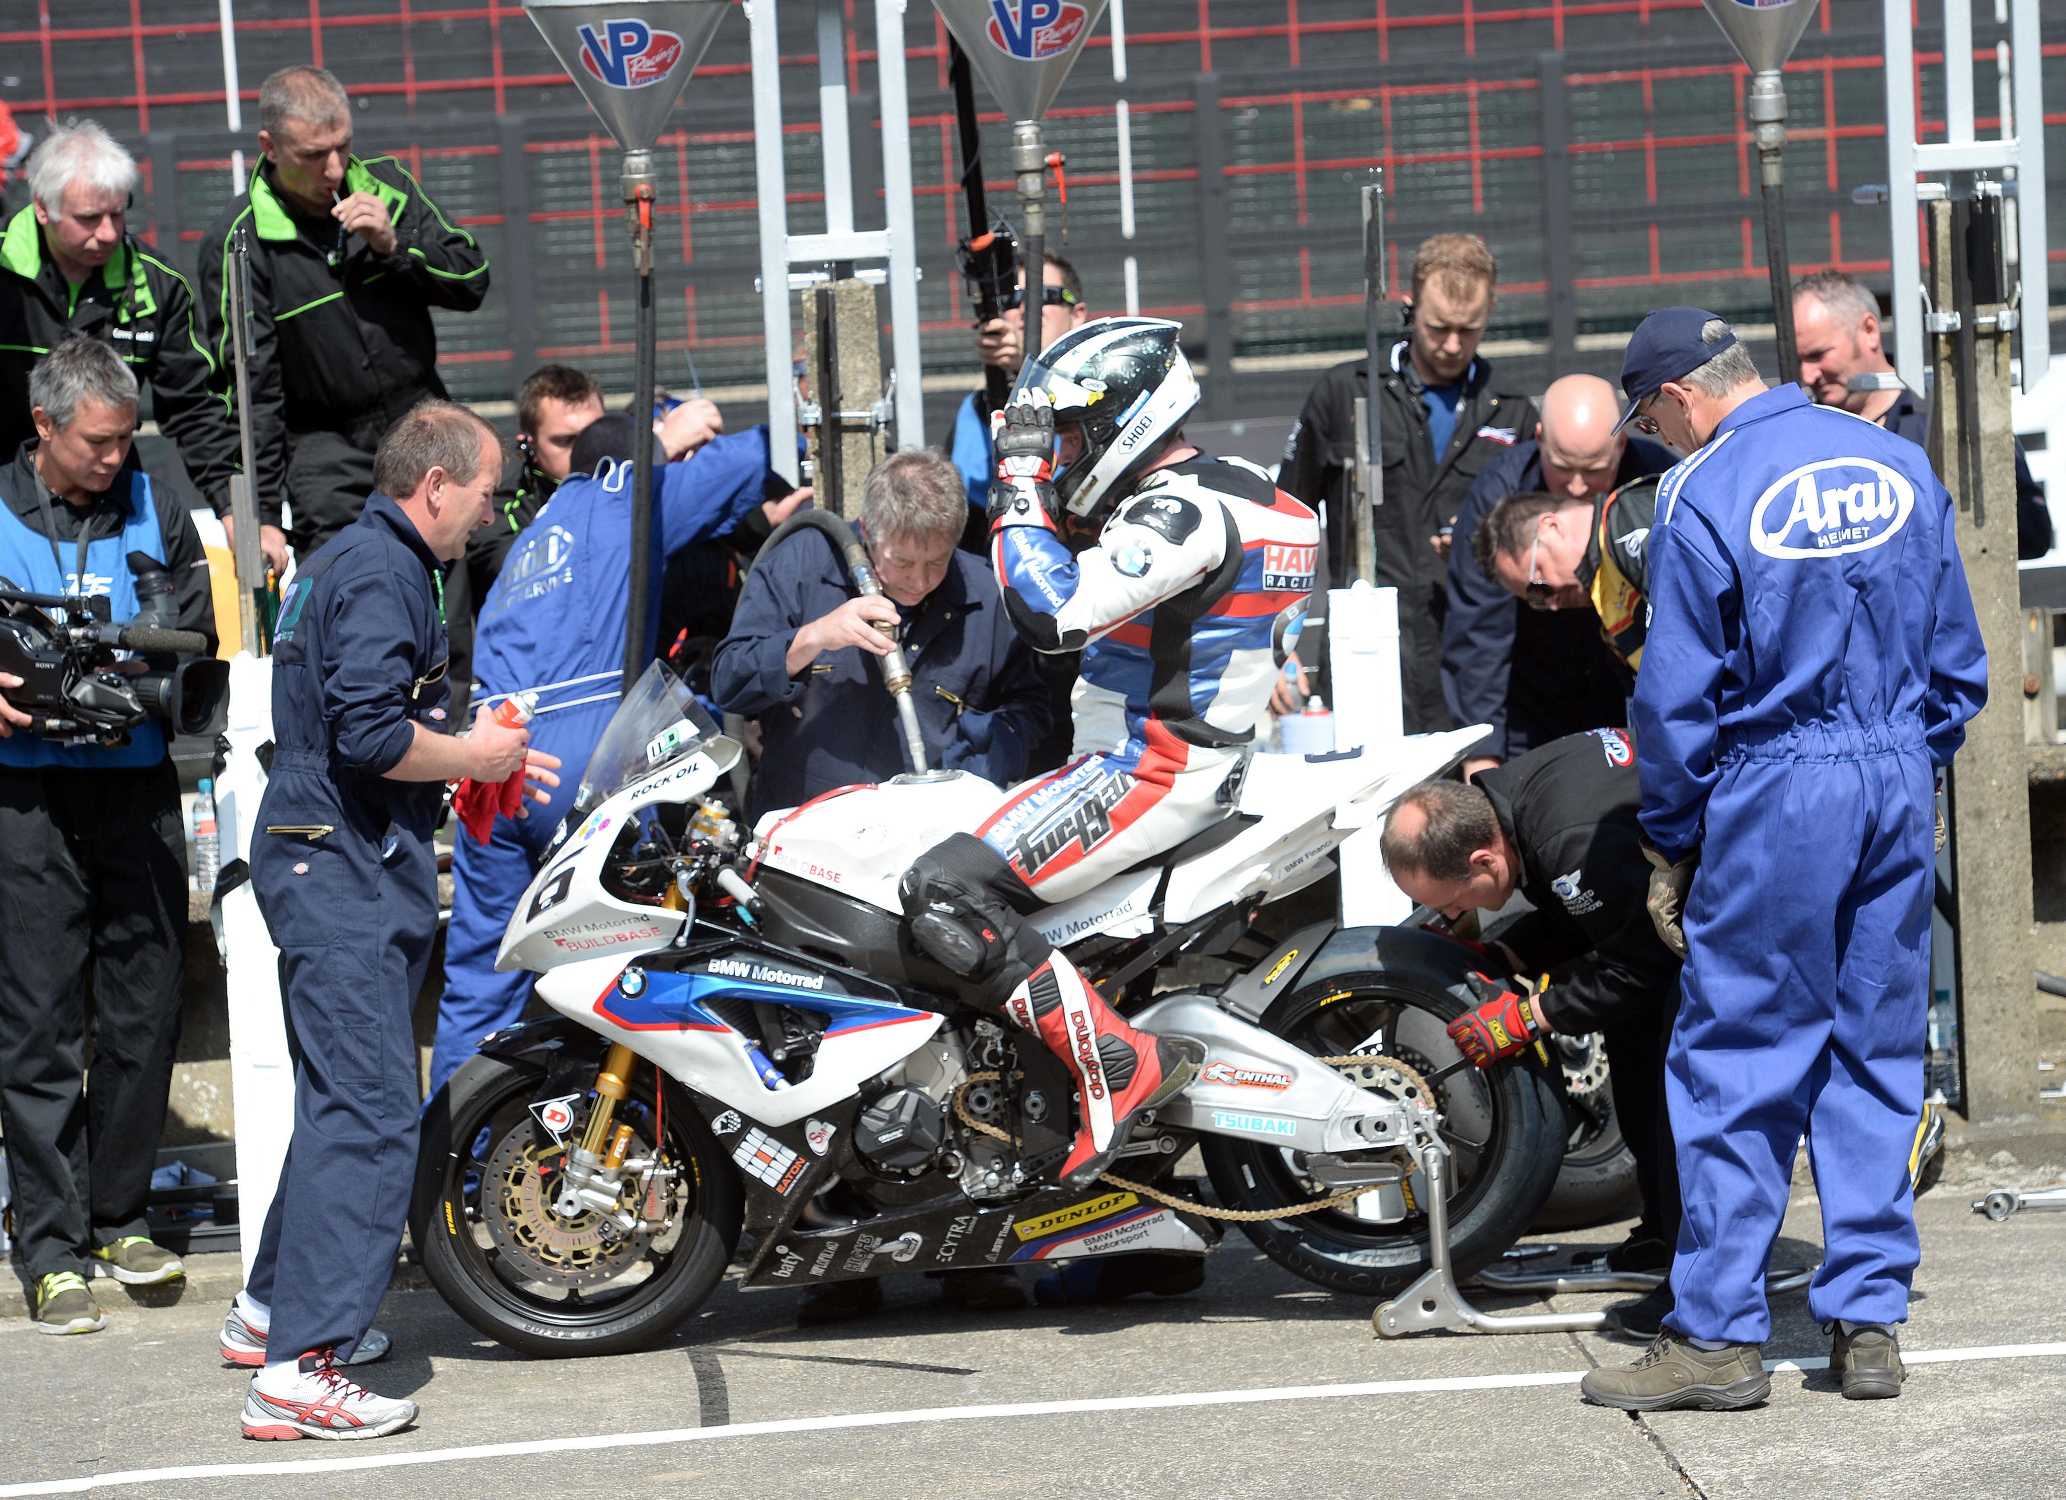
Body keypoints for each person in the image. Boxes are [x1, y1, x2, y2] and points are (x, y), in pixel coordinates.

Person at [1581, 309, 1988, 1411]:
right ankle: (1866, 1327)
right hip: (1894, 775)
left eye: (1651, 420)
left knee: (1739, 1061)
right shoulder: (1895, 460)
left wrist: (1672, 838)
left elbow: (1672, 701)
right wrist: (1897, 759)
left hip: (1775, 787)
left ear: (1673, 400)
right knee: (1874, 1053)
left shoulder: (1698, 492)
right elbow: (1958, 666)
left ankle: (1714, 1338)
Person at [899, 315, 1319, 1207]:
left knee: (944, 889)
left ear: (1130, 416)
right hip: (1203, 761)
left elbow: (1052, 614)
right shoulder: (1255, 491)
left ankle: (1120, 1068)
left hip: (1146, 769)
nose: (1063, 452)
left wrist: (1016, 485)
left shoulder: (1178, 512)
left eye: (1075, 432)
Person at [229, 400, 557, 1441]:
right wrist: (474, 758)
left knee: (341, 1099)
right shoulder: (380, 571)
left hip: (320, 856)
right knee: (373, 1110)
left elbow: (363, 715)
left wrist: (474, 746)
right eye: (487, 491)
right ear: (435, 486)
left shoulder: (345, 559)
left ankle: (268, 1312)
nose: (491, 511)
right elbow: (370, 736)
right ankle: (299, 1369)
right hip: (339, 871)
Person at [429, 406, 798, 1098]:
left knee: (481, 981)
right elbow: (768, 447)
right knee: (639, 968)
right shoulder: (628, 493)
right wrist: (693, 435)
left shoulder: (530, 539)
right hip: (585, 751)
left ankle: (452, 1167)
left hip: (494, 764)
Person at [0, 337, 214, 1335]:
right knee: (39, 1022)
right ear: (43, 426)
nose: (114, 458)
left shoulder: (152, 494)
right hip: (26, 797)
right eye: (97, 441)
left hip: (134, 786)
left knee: (144, 1005)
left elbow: (197, 618)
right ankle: (49, 1246)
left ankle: (121, 1216)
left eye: (127, 440)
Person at [1380, 735, 1683, 1340]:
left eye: (1453, 904)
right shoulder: (1510, 799)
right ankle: (1664, 1233)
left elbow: (1644, 962)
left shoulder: (1565, 842)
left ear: (1483, 864)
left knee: (1676, 1091)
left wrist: (1532, 1016)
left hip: (1711, 930)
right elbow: (1594, 917)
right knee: (1636, 1062)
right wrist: (1509, 951)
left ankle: (1693, 1281)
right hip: (1649, 906)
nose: (1453, 916)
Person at [198, 66, 489, 574]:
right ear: (269, 146)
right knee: (350, 581)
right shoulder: (240, 242)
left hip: (418, 416)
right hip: (322, 445)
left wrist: (395, 247)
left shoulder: (388, 185)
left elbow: (472, 280)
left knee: (451, 577)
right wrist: (262, 515)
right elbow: (250, 392)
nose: (333, 168)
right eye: (313, 155)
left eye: (343, 146)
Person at [1279, 233, 1535, 732]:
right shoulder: (1344, 394)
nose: (1453, 345)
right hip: (1365, 648)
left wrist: (1480, 542)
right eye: (1438, 327)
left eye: (1470, 329)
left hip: (1470, 659)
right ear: (1409, 307)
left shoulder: (1514, 410)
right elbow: (1283, 523)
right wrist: (1273, 648)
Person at [711, 448, 1051, 823]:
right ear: (868, 532)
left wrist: (979, 763)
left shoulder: (985, 594)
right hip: (804, 830)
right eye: (902, 562)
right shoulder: (803, 564)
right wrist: (813, 637)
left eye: (937, 562)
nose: (919, 581)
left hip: (925, 834)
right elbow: (729, 681)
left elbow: (1031, 708)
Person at [1442, 373, 1674, 776]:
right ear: (1538, 439)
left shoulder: (1657, 483)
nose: (1579, 488)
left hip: (1626, 689)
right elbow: (1478, 636)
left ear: (1621, 445)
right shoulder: (1500, 500)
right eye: (1563, 468)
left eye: (1597, 469)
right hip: (1532, 690)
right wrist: (1483, 759)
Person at [1, 122, 237, 511]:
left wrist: (233, 509)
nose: (109, 233)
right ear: (43, 208)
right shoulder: (4, 271)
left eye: (118, 213)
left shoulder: (159, 284)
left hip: (108, 501)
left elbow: (195, 408)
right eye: (90, 218)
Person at [1794, 270, 2050, 558]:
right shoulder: (1804, 437)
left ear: (1869, 331)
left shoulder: (1948, 418)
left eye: (1817, 355)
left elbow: (2032, 534)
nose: (1807, 374)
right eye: (1799, 359)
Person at [948, 251, 1091, 529]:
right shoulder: (979, 408)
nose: (1026, 308)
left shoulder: (1106, 394)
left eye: (1044, 296)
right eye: (1014, 299)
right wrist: (1013, 377)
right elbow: (976, 497)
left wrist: (1030, 369)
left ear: (1077, 315)